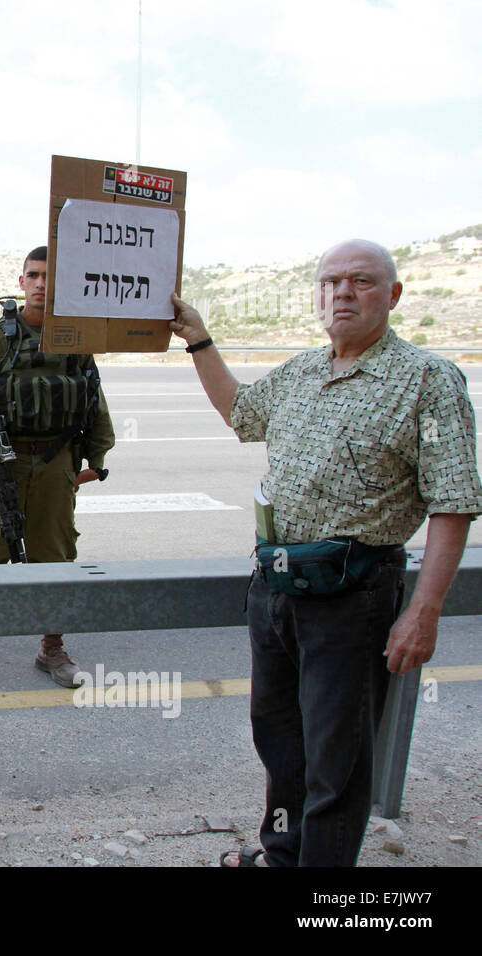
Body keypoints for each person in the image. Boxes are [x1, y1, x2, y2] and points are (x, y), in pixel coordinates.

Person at [170, 238, 482, 867]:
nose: (342, 292)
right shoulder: (301, 372)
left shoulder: (426, 380)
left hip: (353, 599)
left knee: (334, 765)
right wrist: (199, 340)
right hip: (276, 590)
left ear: (391, 296)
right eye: (330, 282)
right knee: (280, 744)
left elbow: (454, 501)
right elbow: (240, 411)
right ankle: (283, 855)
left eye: (361, 281)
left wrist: (424, 612)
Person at [0, 246, 115, 684]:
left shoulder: (75, 335)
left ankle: (52, 648)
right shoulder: (1, 336)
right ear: (22, 282)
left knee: (55, 557)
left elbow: (92, 395)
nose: (42, 284)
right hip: (2, 460)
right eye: (34, 275)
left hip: (57, 459)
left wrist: (97, 457)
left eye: (50, 276)